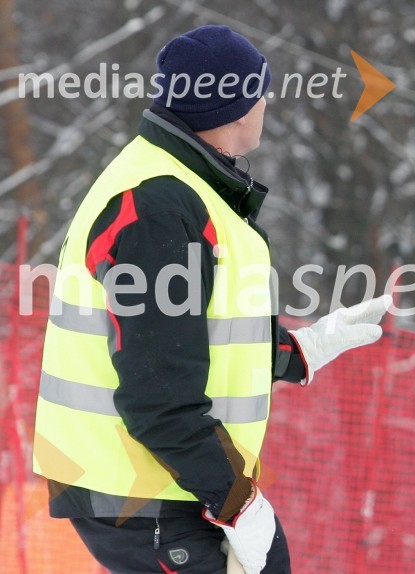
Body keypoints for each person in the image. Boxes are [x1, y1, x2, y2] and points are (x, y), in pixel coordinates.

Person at [33, 25, 390, 574]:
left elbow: (187, 334)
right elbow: (158, 393)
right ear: (238, 107)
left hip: (161, 483)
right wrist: (239, 505)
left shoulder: (177, 186)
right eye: (261, 90)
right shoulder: (158, 204)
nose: (268, 102)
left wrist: (303, 349)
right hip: (147, 491)